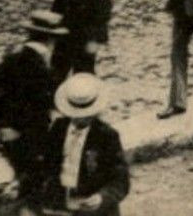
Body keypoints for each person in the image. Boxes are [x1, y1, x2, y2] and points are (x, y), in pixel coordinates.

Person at [0, 10, 66, 203]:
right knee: (40, 179)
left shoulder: (15, 57)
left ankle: (20, 187)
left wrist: (2, 126)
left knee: (31, 175)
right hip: (25, 135)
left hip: (16, 134)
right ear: (50, 40)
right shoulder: (35, 63)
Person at [34, 74, 130, 215]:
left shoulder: (106, 136)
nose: (81, 118)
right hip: (60, 207)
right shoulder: (58, 129)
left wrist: (101, 197)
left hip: (94, 211)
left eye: (87, 113)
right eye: (76, 113)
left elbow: (120, 179)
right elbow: (45, 165)